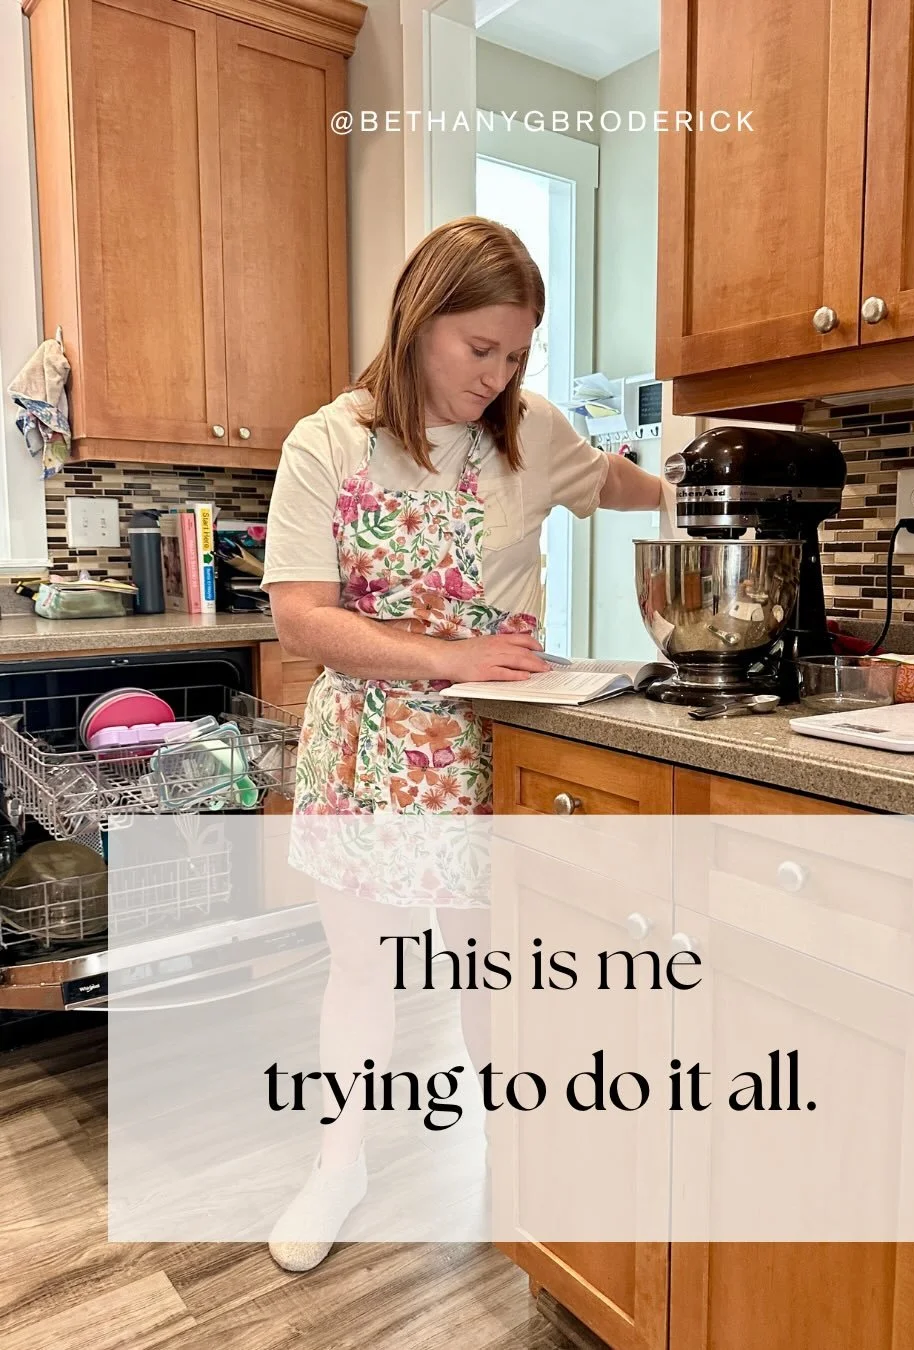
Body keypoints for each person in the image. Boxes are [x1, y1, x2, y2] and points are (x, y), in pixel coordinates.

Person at [261, 216, 661, 1271]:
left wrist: (702, 492)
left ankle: (511, 1156)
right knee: (363, 970)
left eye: (518, 353)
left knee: (494, 971)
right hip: (370, 748)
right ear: (418, 321)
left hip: (500, 753)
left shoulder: (529, 432)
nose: (499, 374)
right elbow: (301, 616)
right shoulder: (332, 442)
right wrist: (451, 658)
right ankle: (337, 1163)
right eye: (479, 348)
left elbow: (609, 485)